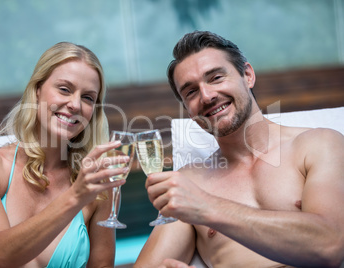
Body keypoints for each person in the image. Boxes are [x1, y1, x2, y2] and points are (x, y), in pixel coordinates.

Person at [135, 31, 344, 267]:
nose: (206, 96)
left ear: (247, 75)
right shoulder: (189, 182)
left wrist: (207, 206)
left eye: (215, 78)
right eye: (191, 92)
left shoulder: (318, 145)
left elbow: (330, 246)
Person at [0, 42, 130, 268]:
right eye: (65, 89)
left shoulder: (97, 187)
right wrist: (75, 197)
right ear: (37, 90)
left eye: (88, 98)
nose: (75, 104)